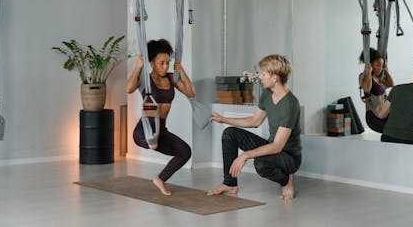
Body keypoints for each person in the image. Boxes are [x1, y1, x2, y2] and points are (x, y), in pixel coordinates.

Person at [207, 54, 302, 201]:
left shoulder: (290, 104)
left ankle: (286, 180)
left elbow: (278, 146)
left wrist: (245, 155)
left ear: (274, 78)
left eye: (263, 74)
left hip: (289, 156)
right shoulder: (267, 93)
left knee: (261, 163)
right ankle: (230, 184)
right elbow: (254, 120)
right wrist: (223, 119)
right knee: (229, 133)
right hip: (272, 147)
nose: (260, 77)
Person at [126, 39, 196, 195]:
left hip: (161, 129)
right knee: (153, 141)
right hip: (143, 130)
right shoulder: (145, 79)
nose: (165, 67)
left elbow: (191, 93)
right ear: (151, 63)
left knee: (185, 152)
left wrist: (182, 71)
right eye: (161, 63)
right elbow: (129, 88)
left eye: (167, 63)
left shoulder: (171, 78)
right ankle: (152, 140)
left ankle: (160, 179)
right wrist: (137, 67)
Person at [358, 48, 394, 133]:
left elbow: (391, 84)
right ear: (370, 65)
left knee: (401, 123)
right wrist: (368, 72)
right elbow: (367, 89)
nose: (380, 68)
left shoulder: (379, 78)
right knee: (395, 128)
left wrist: (385, 69)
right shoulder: (363, 76)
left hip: (384, 114)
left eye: (381, 66)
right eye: (378, 65)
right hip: (373, 117)